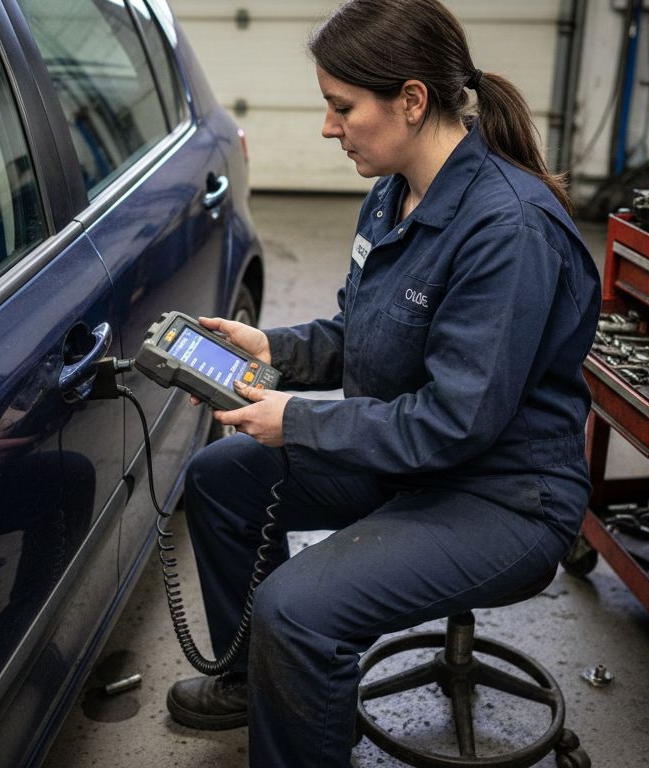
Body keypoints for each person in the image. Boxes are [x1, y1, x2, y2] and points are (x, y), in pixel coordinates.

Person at [163, 1, 602, 765]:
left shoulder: (508, 230)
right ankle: (256, 680)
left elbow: (455, 422)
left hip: (501, 496)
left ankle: (291, 682)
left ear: (412, 100)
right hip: (406, 458)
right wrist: (274, 348)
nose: (328, 128)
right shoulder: (393, 191)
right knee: (220, 479)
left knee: (298, 609)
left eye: (342, 108)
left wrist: (297, 420)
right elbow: (363, 330)